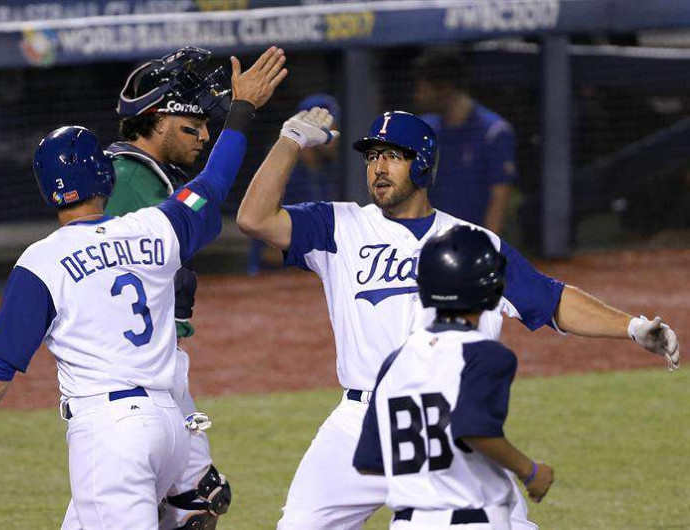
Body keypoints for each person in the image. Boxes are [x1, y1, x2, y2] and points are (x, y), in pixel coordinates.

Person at [236, 110, 680, 530]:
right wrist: (290, 141)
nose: (378, 168)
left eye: (393, 155)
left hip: (449, 423)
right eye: (372, 157)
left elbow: (551, 300)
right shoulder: (337, 225)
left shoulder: (473, 243)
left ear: (423, 163)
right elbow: (254, 218)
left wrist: (632, 327)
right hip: (360, 418)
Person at [0, 46, 288, 530]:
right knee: (187, 505)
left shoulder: (40, 261)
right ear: (106, 175)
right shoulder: (153, 226)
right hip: (168, 419)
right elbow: (215, 182)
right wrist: (243, 112)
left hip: (109, 427)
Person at [105, 46, 242, 529]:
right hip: (126, 386)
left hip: (159, 374)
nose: (205, 135)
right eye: (194, 125)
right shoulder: (122, 180)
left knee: (196, 501)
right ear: (159, 120)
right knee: (177, 502)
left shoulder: (146, 178)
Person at [354, 225, 555, 529]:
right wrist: (530, 471)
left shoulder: (395, 361)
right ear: (490, 289)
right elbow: (473, 428)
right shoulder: (485, 354)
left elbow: (371, 462)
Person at [414, 51, 516, 233]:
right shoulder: (424, 129)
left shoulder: (494, 132)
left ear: (444, 88)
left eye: (423, 89)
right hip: (429, 241)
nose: (418, 96)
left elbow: (499, 200)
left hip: (472, 241)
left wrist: (487, 249)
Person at [247, 93, 341, 275]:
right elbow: (267, 246)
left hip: (306, 271)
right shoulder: (284, 172)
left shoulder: (326, 173)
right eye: (331, 126)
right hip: (273, 275)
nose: (335, 134)